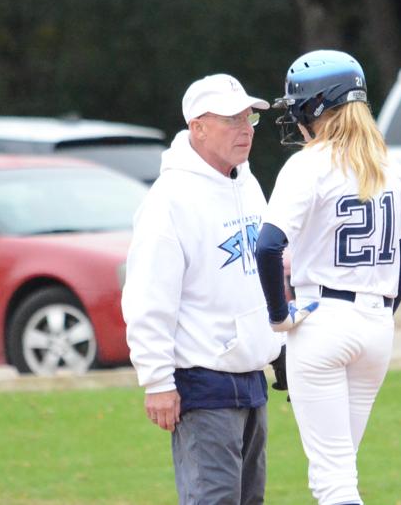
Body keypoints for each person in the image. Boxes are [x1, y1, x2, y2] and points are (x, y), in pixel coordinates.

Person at [255, 50, 401, 505]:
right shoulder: (389, 165)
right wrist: (377, 317)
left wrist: (279, 317)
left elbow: (267, 246)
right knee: (342, 473)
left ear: (316, 106)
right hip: (376, 325)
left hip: (322, 319)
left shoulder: (309, 164)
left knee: (333, 481)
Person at [121, 73, 284, 505]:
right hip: (203, 381)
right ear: (198, 127)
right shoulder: (169, 200)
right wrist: (157, 380)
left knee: (250, 500)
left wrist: (279, 344)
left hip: (251, 378)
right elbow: (148, 297)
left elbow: (258, 276)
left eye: (249, 117)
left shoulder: (247, 183)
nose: (245, 128)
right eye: (231, 119)